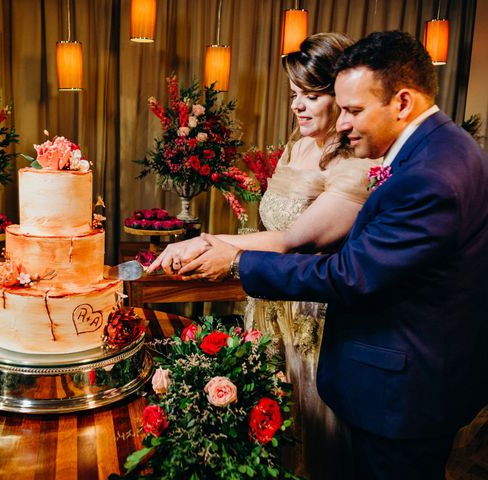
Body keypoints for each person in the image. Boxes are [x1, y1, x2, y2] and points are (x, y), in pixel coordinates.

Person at [172, 30, 488, 480]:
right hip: (418, 370)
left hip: (404, 389)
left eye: (354, 110)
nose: (342, 123)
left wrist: (238, 262)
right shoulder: (448, 148)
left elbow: (351, 275)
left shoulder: (430, 174)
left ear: (402, 102)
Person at [149, 33, 378, 479]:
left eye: (311, 95)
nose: (298, 106)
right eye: (294, 94)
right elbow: (269, 231)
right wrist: (212, 246)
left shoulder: (355, 165)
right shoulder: (296, 148)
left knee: (309, 431)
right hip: (269, 307)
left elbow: (293, 240)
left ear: (343, 95)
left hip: (314, 315)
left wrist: (208, 242)